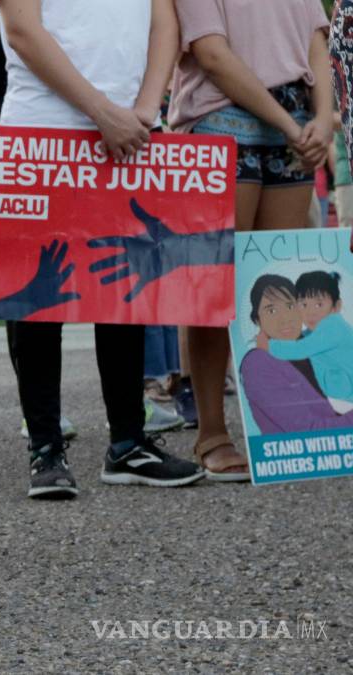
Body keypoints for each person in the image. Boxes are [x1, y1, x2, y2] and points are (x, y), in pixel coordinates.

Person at [0, 0, 204, 499]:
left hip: (129, 132)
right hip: (42, 127)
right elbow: (22, 30)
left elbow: (164, 20)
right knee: (39, 302)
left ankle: (128, 443)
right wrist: (102, 111)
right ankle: (46, 450)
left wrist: (145, 109)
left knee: (123, 292)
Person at [170, 0, 331, 482]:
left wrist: (324, 118)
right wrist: (292, 124)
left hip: (296, 123)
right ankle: (212, 434)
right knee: (215, 286)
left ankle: (281, 429)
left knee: (280, 283)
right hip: (220, 120)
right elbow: (211, 54)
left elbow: (317, 42)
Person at [0, 0, 80, 443]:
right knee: (30, 304)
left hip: (80, 164)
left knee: (96, 295)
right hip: (21, 170)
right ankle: (41, 418)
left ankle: (128, 422)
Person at [240, 274, 353, 434]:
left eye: (290, 306)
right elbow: (308, 431)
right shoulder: (259, 363)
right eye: (271, 310)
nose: (285, 318)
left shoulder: (317, 342)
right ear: (257, 320)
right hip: (314, 447)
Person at [260, 271, 353, 401]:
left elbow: (300, 349)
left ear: (336, 307)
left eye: (319, 305)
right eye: (303, 305)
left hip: (346, 388)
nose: (310, 312)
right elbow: (303, 339)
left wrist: (269, 346)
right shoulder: (318, 330)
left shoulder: (333, 326)